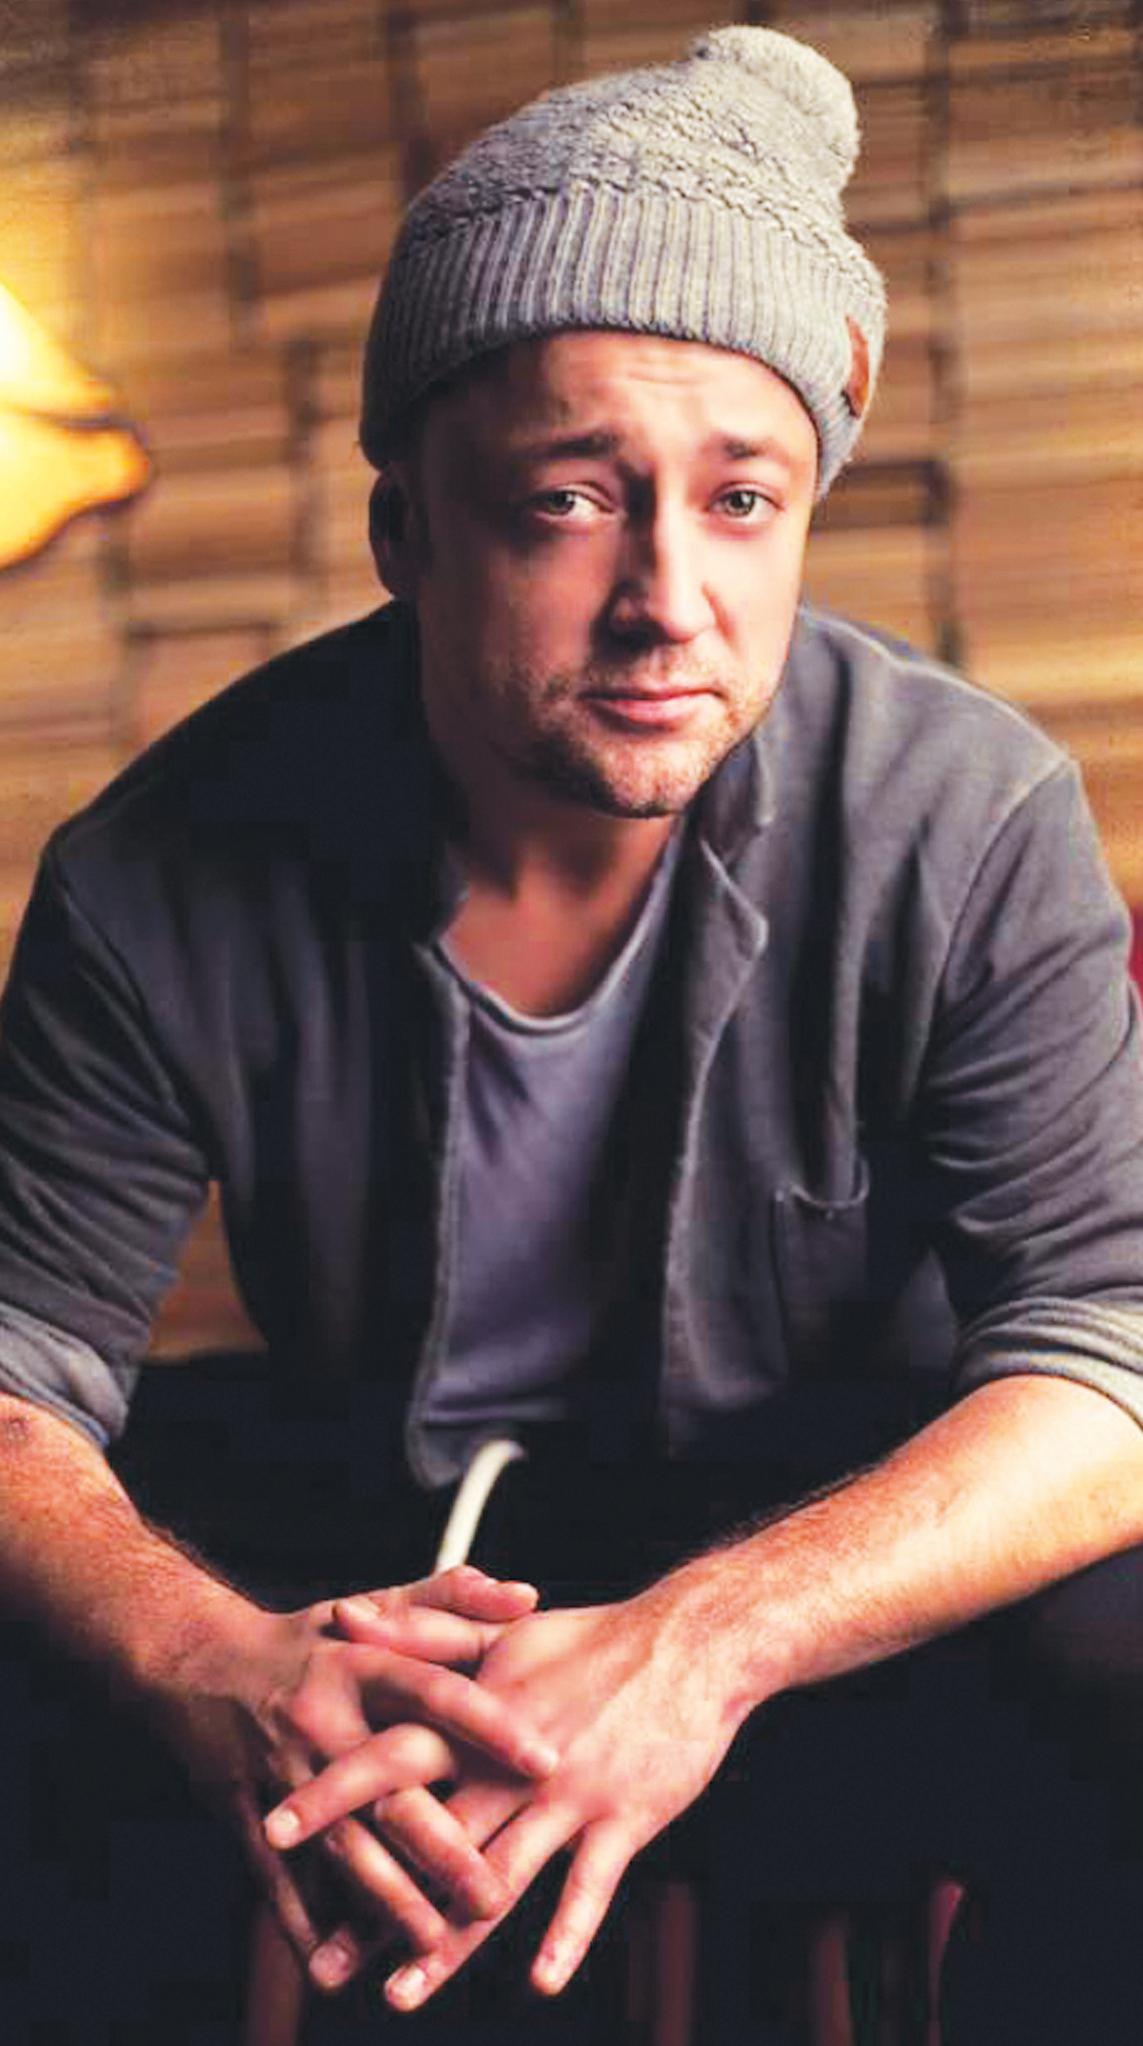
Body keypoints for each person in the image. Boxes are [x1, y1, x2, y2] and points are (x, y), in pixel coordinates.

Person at [2, 25, 1143, 2044]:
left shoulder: (967, 817)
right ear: (406, 534)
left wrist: (704, 1643)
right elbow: (18, 1368)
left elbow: (1109, 1348)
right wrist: (211, 1661)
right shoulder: (154, 869)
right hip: (390, 1525)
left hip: (826, 1528)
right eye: (567, 500)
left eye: (742, 500)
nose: (667, 600)